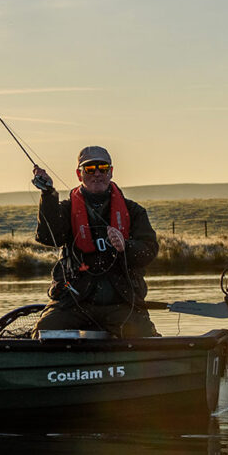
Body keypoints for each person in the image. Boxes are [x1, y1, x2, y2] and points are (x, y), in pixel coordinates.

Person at [31, 145, 159, 338]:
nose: (97, 173)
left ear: (111, 172)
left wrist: (126, 246)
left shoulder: (134, 211)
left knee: (144, 337)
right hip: (73, 302)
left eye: (103, 168)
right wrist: (48, 194)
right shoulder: (65, 209)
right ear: (79, 174)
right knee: (45, 332)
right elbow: (48, 237)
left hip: (122, 303)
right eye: (90, 169)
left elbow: (149, 251)